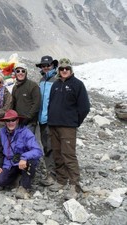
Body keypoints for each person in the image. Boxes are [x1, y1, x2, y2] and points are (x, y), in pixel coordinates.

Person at [47, 58, 90, 199]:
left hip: (68, 127)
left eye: (67, 68)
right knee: (57, 153)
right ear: (58, 70)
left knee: (69, 155)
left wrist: (75, 121)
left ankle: (74, 186)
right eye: (61, 69)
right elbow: (51, 103)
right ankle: (61, 180)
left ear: (71, 70)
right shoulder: (55, 85)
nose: (64, 70)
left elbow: (84, 107)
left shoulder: (77, 84)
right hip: (53, 125)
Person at [0, 109, 43, 199]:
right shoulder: (1, 132)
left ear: (17, 121)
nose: (10, 122)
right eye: (8, 120)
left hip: (23, 162)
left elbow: (37, 150)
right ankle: (18, 178)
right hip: (9, 163)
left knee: (32, 161)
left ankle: (24, 187)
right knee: (0, 181)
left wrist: (24, 157)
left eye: (13, 120)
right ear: (5, 122)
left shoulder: (26, 132)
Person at [36, 56, 58, 186]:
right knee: (46, 146)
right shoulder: (42, 80)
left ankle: (53, 175)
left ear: (53, 65)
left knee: (51, 147)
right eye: (43, 65)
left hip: (51, 119)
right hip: (42, 119)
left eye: (48, 65)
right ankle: (51, 172)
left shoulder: (56, 80)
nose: (45, 67)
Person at [12, 63, 41, 133]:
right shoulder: (15, 88)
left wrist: (28, 118)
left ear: (26, 73)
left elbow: (36, 104)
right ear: (15, 73)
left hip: (29, 123)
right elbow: (13, 104)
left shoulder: (33, 86)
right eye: (18, 71)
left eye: (23, 71)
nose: (20, 73)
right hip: (18, 122)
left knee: (28, 143)